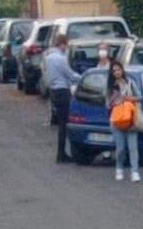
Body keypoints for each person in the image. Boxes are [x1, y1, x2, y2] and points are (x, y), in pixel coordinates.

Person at [45, 34, 82, 163]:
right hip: (62, 91)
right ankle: (61, 154)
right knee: (64, 124)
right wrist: (82, 77)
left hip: (53, 90)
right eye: (66, 45)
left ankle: (61, 154)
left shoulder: (48, 57)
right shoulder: (60, 58)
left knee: (61, 123)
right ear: (62, 44)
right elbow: (70, 75)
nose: (66, 48)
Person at [107, 61, 140, 182]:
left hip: (130, 118)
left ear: (122, 70)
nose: (117, 72)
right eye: (114, 71)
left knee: (133, 147)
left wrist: (127, 98)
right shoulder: (110, 86)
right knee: (120, 148)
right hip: (116, 119)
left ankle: (134, 171)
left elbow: (140, 97)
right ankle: (119, 168)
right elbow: (107, 104)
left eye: (118, 70)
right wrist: (115, 100)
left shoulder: (130, 82)